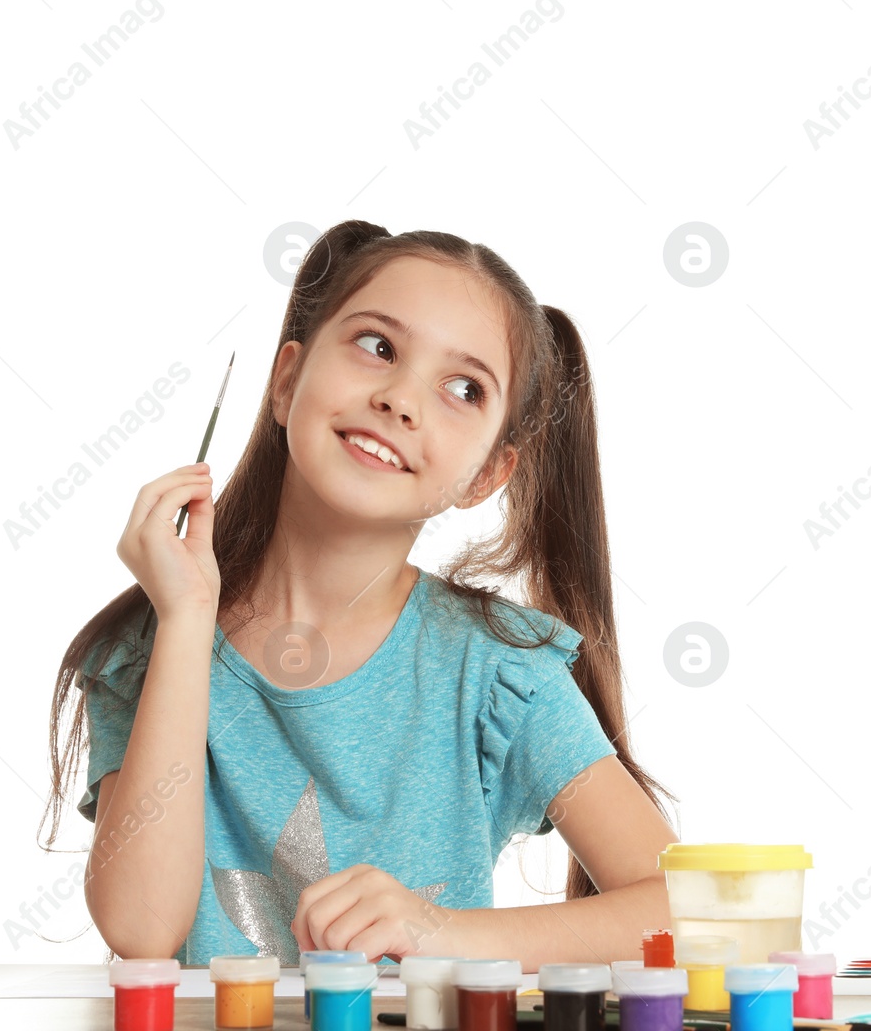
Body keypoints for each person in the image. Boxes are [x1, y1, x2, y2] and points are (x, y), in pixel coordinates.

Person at [40, 219, 677, 971]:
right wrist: (184, 618)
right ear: (286, 383)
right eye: (378, 346)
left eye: (463, 389)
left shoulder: (496, 672)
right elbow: (141, 928)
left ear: (485, 476)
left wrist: (438, 934)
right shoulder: (149, 649)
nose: (402, 399)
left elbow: (699, 916)